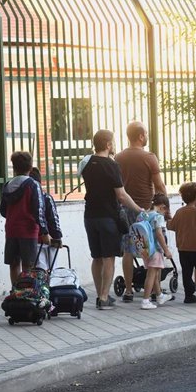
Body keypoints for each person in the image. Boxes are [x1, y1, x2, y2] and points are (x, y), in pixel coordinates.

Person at [81, 130, 143, 309]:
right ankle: (103, 297)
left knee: (97, 256)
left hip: (90, 216)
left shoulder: (87, 163)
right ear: (108, 144)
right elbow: (121, 195)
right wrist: (138, 209)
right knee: (109, 257)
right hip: (108, 216)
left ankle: (101, 293)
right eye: (113, 142)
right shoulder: (111, 165)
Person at [114, 121, 167, 303]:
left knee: (128, 250)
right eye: (146, 133)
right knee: (153, 248)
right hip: (146, 209)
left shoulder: (118, 158)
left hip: (125, 209)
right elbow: (159, 185)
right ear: (141, 136)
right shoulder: (149, 157)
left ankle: (129, 290)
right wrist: (165, 207)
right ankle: (154, 290)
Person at [0, 151, 51, 287]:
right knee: (28, 265)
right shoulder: (33, 185)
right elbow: (38, 210)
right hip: (28, 231)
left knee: (14, 264)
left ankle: (15, 291)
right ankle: (26, 292)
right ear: (30, 168)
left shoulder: (7, 186)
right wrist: (44, 232)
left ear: (14, 168)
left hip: (11, 230)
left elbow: (3, 211)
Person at [138, 194, 173, 310]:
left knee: (154, 272)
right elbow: (159, 234)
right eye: (166, 210)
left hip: (145, 249)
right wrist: (166, 250)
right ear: (163, 206)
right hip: (155, 250)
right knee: (151, 274)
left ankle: (159, 296)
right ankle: (145, 300)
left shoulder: (144, 214)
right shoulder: (158, 217)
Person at [30, 167, 63, 270]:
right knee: (52, 270)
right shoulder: (46, 197)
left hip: (34, 241)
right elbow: (54, 218)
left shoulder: (26, 199)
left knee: (38, 269)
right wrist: (57, 236)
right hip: (50, 240)